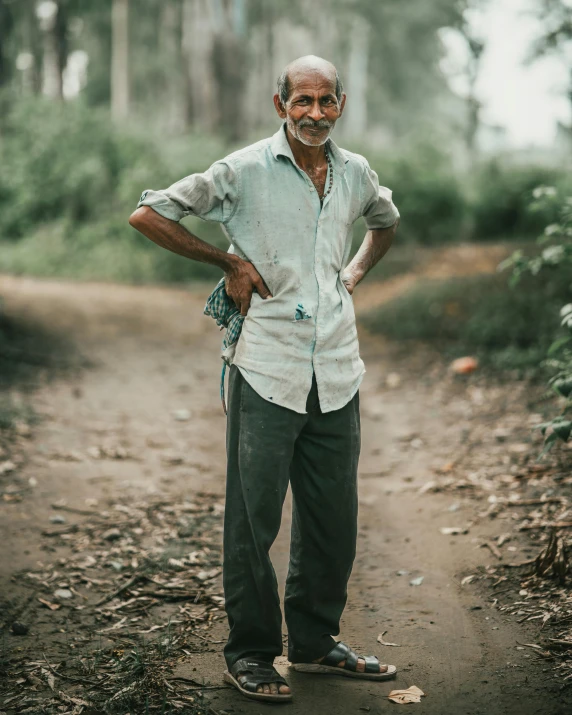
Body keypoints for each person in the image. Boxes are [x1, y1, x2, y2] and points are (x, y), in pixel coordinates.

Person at [129, 55, 400, 704]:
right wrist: (227, 260)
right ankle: (250, 652)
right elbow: (148, 213)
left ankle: (313, 643)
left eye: (325, 101)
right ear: (280, 105)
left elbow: (385, 223)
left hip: (336, 368)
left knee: (333, 517)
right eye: (300, 102)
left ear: (342, 103)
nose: (313, 114)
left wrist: (353, 275)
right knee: (254, 521)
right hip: (266, 369)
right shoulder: (244, 170)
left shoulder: (356, 172)